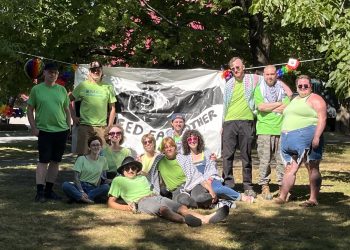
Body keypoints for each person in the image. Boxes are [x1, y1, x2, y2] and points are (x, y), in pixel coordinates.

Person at [108, 156, 229, 227]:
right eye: (127, 168)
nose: (130, 170)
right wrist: (127, 208)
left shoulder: (142, 177)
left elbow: (154, 181)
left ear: (137, 169)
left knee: (182, 208)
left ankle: (205, 218)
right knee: (163, 210)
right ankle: (188, 221)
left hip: (156, 196)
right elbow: (111, 202)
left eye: (133, 167)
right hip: (142, 202)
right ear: (122, 170)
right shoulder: (118, 180)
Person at [275, 75, 326, 207]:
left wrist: (317, 137)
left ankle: (313, 199)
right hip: (289, 139)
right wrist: (278, 79)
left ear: (310, 86)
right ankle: (282, 197)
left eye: (306, 85)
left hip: (307, 137)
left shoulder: (315, 99)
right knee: (290, 169)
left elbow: (322, 118)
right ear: (297, 87)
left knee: (312, 167)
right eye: (300, 86)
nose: (303, 88)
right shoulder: (294, 99)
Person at [27, 63, 71, 202]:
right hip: (44, 131)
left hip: (61, 130)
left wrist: (68, 126)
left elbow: (67, 109)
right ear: (44, 73)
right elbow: (29, 110)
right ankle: (40, 192)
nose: (53, 74)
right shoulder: (36, 89)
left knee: (55, 161)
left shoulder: (62, 90)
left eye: (55, 72)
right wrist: (33, 127)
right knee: (43, 161)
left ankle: (49, 190)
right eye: (50, 72)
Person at [222, 57, 263, 197]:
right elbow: (224, 105)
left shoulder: (253, 79)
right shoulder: (228, 84)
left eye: (238, 67)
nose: (236, 70)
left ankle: (247, 186)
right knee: (227, 156)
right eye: (233, 69)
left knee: (246, 155)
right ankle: (228, 185)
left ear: (243, 66)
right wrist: (223, 123)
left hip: (246, 121)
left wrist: (288, 67)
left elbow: (272, 77)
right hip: (229, 122)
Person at [182, 130, 254, 207]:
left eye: (195, 139)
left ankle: (241, 197)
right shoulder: (185, 158)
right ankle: (219, 202)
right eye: (190, 139)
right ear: (186, 142)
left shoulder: (206, 152)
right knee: (198, 197)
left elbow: (212, 168)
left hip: (211, 178)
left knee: (217, 189)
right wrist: (202, 182)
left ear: (198, 139)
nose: (192, 141)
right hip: (197, 182)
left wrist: (209, 180)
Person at [254, 65, 292, 199]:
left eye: (272, 74)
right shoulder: (259, 89)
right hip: (264, 130)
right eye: (267, 74)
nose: (270, 77)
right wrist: (278, 103)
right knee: (265, 161)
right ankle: (265, 186)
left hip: (281, 129)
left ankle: (282, 186)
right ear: (264, 75)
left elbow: (286, 107)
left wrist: (270, 106)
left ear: (276, 75)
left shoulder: (282, 89)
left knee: (282, 160)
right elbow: (261, 107)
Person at [153, 137, 216, 208]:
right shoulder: (159, 162)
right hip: (177, 190)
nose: (169, 149)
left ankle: (203, 201)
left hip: (192, 185)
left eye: (171, 146)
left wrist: (211, 191)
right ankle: (199, 205)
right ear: (163, 150)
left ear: (175, 147)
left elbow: (198, 177)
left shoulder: (183, 159)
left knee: (200, 197)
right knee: (182, 200)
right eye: (166, 147)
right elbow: (152, 177)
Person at [69, 61, 116, 155]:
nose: (96, 72)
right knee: (83, 157)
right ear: (89, 72)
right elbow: (67, 101)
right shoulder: (83, 85)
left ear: (102, 71)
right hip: (85, 127)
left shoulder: (108, 87)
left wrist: (110, 126)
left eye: (98, 70)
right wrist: (73, 117)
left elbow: (113, 108)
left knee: (101, 157)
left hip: (101, 128)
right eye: (93, 70)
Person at [62, 136, 110, 203]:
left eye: (98, 145)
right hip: (79, 186)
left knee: (106, 187)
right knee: (65, 185)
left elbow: (104, 178)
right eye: (93, 145)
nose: (96, 147)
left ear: (101, 146)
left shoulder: (103, 160)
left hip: (93, 188)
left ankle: (78, 198)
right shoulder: (81, 159)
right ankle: (85, 198)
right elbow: (76, 178)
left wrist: (114, 180)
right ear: (89, 147)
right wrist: (81, 191)